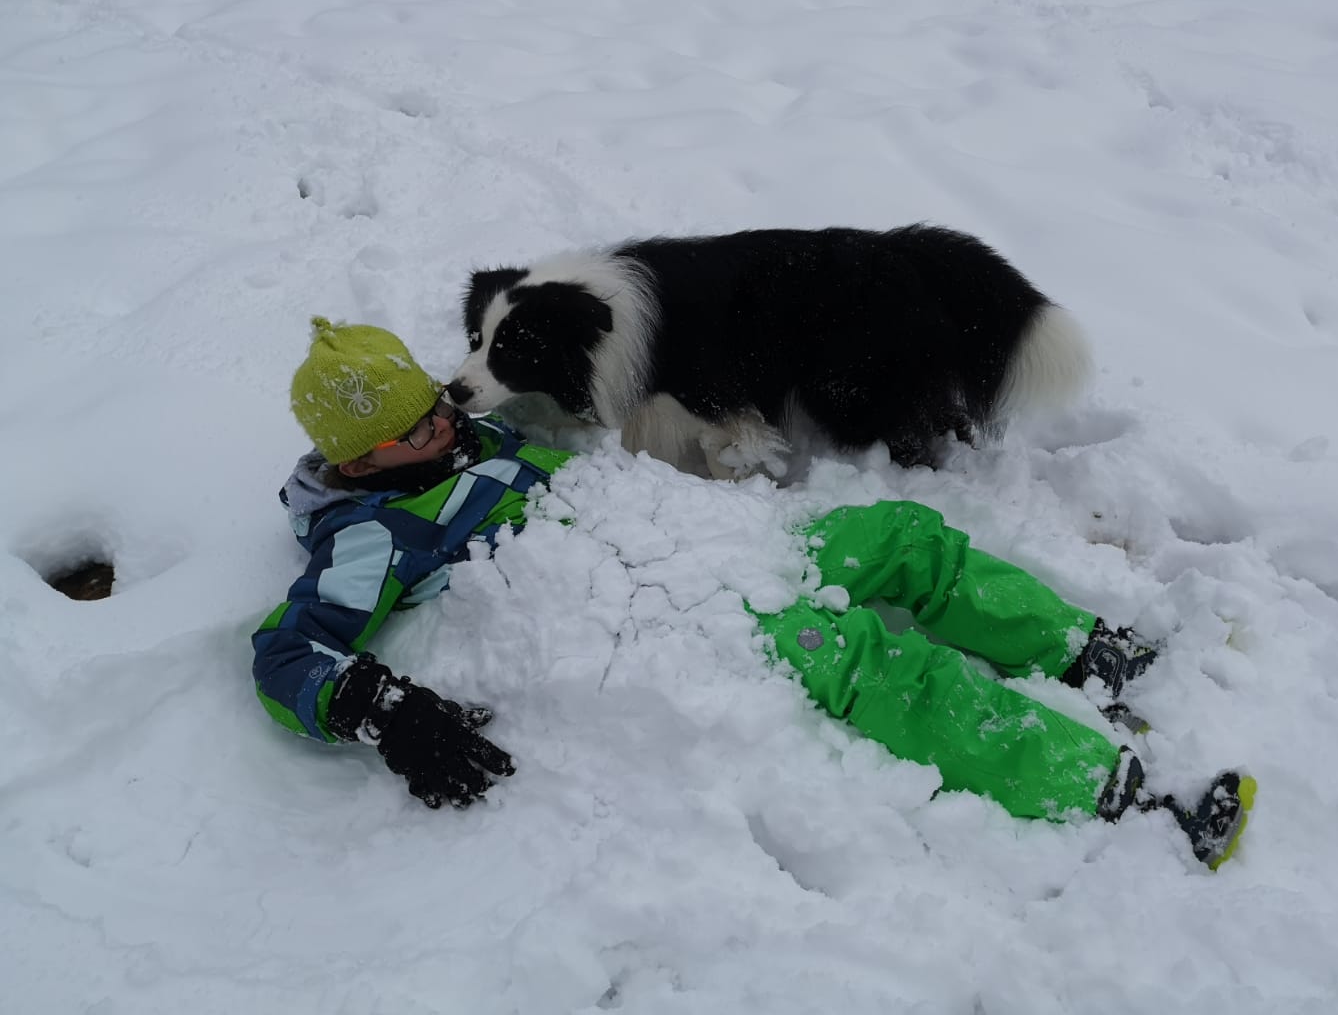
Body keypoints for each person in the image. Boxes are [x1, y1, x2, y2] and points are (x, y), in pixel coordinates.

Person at [254, 318, 1253, 867]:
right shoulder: (367, 538)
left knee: (901, 537)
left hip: (717, 543)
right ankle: (1108, 788)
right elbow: (286, 653)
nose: (444, 427)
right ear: (361, 458)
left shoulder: (474, 434)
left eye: (434, 407)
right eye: (415, 432)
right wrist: (381, 710)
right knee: (876, 668)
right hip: (673, 621)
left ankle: (1079, 648)